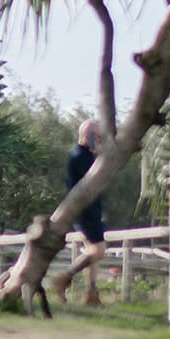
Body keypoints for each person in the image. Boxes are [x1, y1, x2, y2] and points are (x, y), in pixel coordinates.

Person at [56, 119, 113, 303]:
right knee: (98, 250)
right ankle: (64, 277)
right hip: (85, 210)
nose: (98, 139)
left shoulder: (87, 156)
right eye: (96, 136)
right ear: (87, 135)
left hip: (91, 209)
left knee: (91, 252)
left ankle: (91, 293)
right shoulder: (79, 156)